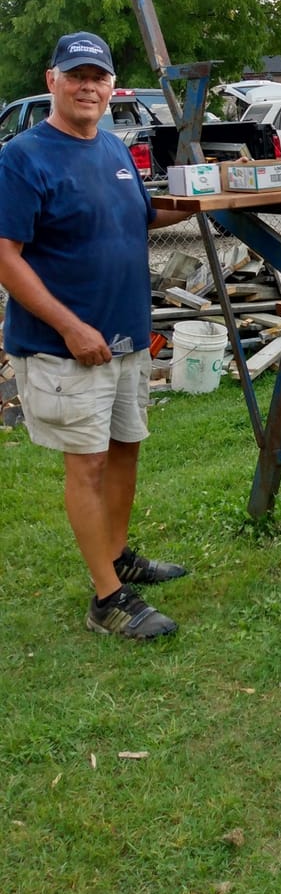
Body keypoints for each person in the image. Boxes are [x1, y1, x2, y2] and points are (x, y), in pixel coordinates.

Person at [0, 32, 190, 639]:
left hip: (125, 336)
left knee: (125, 447)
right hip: (66, 346)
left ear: (111, 87)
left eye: (98, 77)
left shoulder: (112, 146)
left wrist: (208, 200)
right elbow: (5, 255)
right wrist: (70, 326)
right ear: (52, 80)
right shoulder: (23, 156)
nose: (89, 87)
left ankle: (116, 555)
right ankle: (107, 600)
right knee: (88, 465)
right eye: (76, 75)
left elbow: (142, 215)